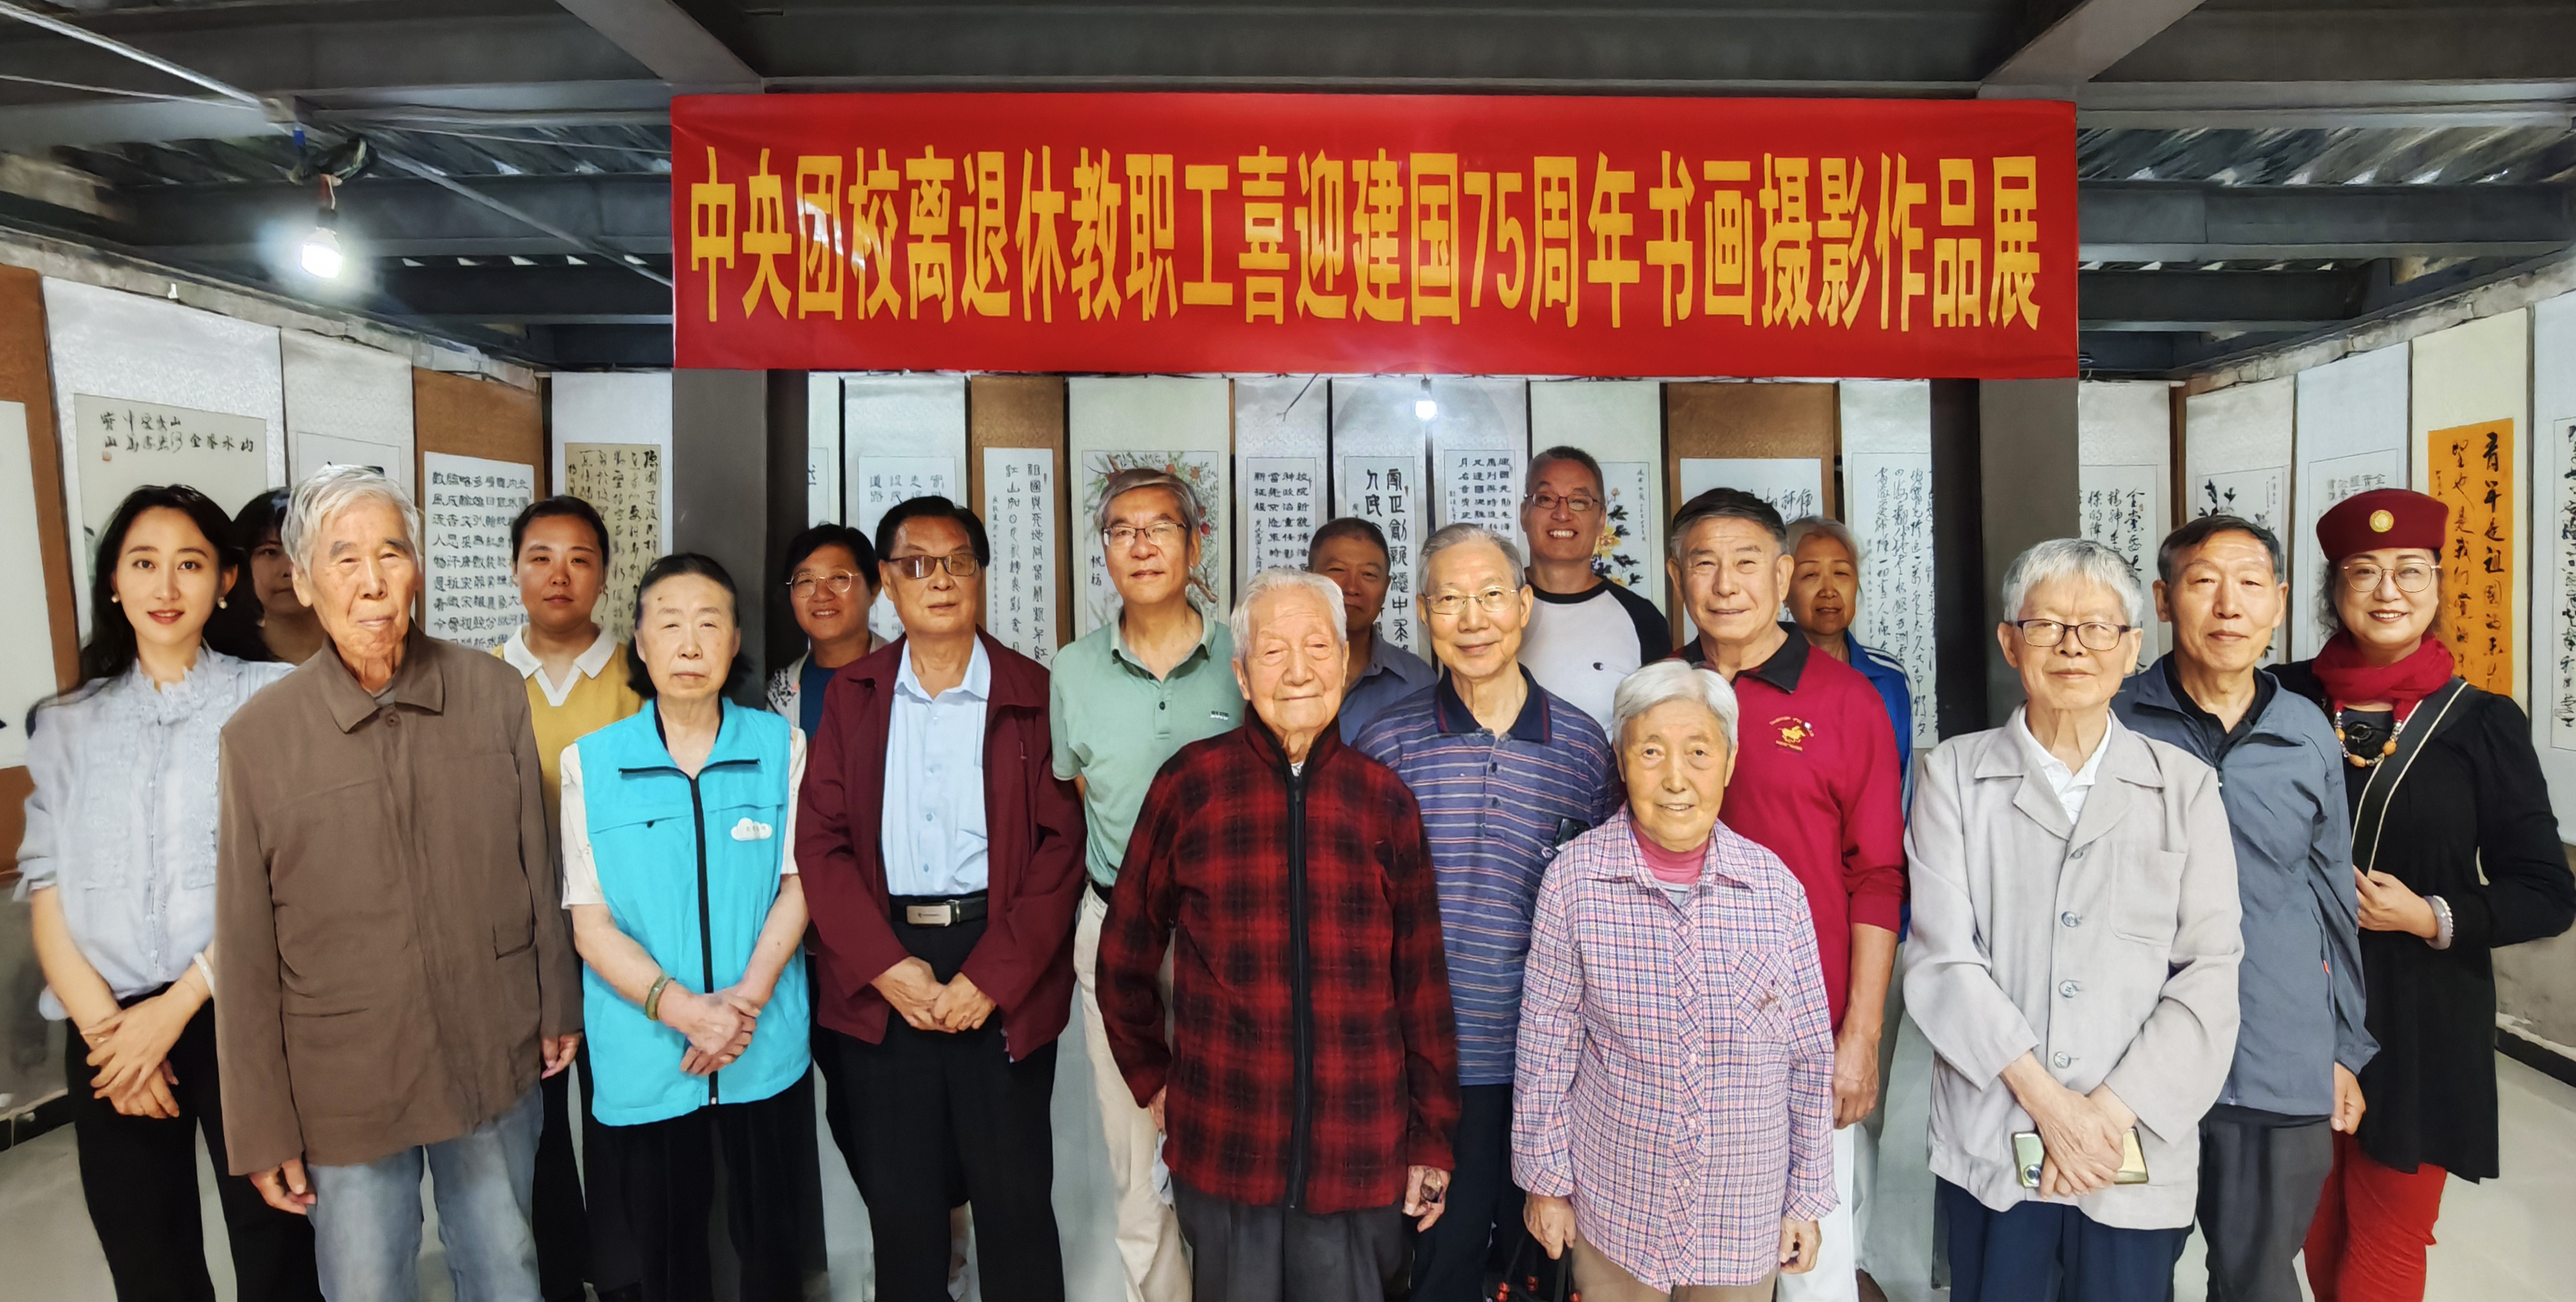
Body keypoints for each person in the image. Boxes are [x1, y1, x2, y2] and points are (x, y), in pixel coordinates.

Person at [215, 465, 582, 1302]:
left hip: (490, 1039)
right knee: (365, 1283)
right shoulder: (259, 738)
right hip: (345, 1074)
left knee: (506, 1263)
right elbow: (244, 943)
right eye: (343, 559)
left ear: (419, 567)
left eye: (391, 553)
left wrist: (557, 1000)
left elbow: (537, 861)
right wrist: (260, 1122)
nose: (372, 582)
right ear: (304, 581)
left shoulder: (491, 692)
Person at [1099, 568, 1461, 1302]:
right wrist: (1154, 1077)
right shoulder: (1191, 786)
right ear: (1241, 673)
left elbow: (1421, 990)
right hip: (1227, 1143)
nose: (1298, 671)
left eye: (1318, 648)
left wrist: (1430, 1138)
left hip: (1359, 1152)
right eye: (1273, 652)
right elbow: (1123, 956)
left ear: (1345, 661)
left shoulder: (1383, 801)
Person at [1905, 538, 2243, 1302]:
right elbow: (1942, 959)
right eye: (2047, 626)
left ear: (2131, 648)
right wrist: (2050, 1107)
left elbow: (2210, 970)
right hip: (1998, 1128)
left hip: (2132, 1140)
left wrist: (2101, 1119)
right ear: (2009, 642)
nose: (2071, 647)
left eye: (2097, 628)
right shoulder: (1952, 775)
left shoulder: (2185, 787)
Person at [2274, 489, 2576, 1302]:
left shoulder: (2483, 722)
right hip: (2290, 1003)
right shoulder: (2280, 699)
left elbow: (2547, 891)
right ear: (2333, 588)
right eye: (2363, 571)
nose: (2389, 591)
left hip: (2422, 1013)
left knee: (2388, 1237)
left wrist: (2431, 916)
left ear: (2439, 585)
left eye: (2411, 570)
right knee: (2313, 1225)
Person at [19, 485, 318, 1302]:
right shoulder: (66, 723)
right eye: (143, 564)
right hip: (108, 1032)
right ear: (113, 582)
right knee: (148, 1261)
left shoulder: (274, 698)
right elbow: (46, 890)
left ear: (225, 581)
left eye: (189, 564)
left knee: (279, 1249)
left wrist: (174, 1009)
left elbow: (286, 877)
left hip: (240, 1015)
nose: (165, 586)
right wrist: (111, 1037)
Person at [796, 495, 1083, 1302]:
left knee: (1016, 1207)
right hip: (886, 966)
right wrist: (886, 967)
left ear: (982, 575)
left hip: (999, 957)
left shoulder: (1032, 691)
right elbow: (821, 845)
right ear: (887, 583)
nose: (941, 579)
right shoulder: (854, 694)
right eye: (917, 565)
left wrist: (992, 977)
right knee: (905, 1216)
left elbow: (1061, 847)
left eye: (958, 561)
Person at [1515, 659, 1834, 1301]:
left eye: (1698, 752)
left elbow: (1807, 1057)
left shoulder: (1774, 890)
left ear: (1730, 761)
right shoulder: (1575, 881)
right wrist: (1545, 1184)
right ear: (1620, 760)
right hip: (1616, 1209)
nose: (1675, 779)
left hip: (1740, 1215)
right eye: (1651, 752)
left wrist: (1805, 1197)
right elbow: (1546, 1044)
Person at [1353, 523, 1616, 1302]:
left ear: (1524, 606)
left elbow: (1606, 910)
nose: (1472, 620)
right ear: (1422, 613)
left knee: (1542, 1273)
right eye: (1450, 601)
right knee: (1440, 1266)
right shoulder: (1386, 744)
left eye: (1492, 596)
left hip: (1554, 1068)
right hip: (1431, 1069)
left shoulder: (1582, 747)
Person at [2113, 515, 2373, 1302]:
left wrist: (2343, 1047)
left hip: (2276, 1058)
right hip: (2130, 1061)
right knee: (2117, 1274)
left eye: (2251, 585)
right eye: (2203, 583)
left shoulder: (2306, 731)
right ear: (2164, 600)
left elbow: (2332, 896)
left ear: (2279, 602)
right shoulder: (2113, 721)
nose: (2229, 606)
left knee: (2257, 1280)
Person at [1667, 488, 1903, 1302]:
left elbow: (1878, 876)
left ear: (1780, 575)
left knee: (1812, 1270)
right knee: (1690, 1268)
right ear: (1678, 578)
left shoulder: (1846, 700)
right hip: (1673, 1034)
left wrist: (1861, 1036)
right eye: (1704, 564)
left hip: (1804, 1033)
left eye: (1745, 563)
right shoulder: (1658, 693)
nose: (1725, 584)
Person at [561, 554, 814, 1302]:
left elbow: (800, 884)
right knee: (665, 1249)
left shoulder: (781, 747)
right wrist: (686, 1013)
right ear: (639, 643)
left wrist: (740, 1009)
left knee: (772, 1243)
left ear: (735, 642)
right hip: (651, 1048)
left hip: (760, 1039)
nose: (691, 644)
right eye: (669, 625)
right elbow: (589, 923)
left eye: (710, 624)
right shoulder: (592, 763)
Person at [1051, 468, 1244, 1302]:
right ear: (1104, 551)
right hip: (1116, 934)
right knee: (1137, 1156)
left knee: (1237, 1138)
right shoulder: (1073, 669)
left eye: (1160, 526)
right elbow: (1081, 792)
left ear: (1196, 544)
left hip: (1232, 940)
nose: (1141, 545)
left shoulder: (1244, 655)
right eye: (1121, 530)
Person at [496, 493, 641, 1302]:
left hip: (620, 933)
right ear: (515, 570)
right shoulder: (480, 679)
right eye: (541, 558)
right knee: (535, 1122)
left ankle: (620, 1272)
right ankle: (557, 1271)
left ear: (605, 576)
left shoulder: (638, 677)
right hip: (517, 941)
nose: (560, 575)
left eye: (580, 559)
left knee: (617, 1110)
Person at [1515, 446, 1670, 732]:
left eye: (1579, 502)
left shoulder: (1643, 620)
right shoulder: (1491, 608)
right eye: (1546, 499)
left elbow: (1658, 734)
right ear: (1524, 513)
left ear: (1601, 519)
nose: (1562, 514)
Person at [1782, 517, 1913, 784]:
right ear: (1783, 589)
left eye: (1841, 573)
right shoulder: (1762, 678)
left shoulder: (1889, 676)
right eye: (1810, 575)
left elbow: (1903, 781)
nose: (1829, 591)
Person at [1309, 516, 1435, 741]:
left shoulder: (1417, 682)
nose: (1352, 588)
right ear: (1309, 578)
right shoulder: (1274, 669)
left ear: (1386, 588)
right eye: (1337, 570)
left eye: (1368, 574)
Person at [768, 522, 885, 734]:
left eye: (839, 578)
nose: (822, 595)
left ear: (874, 589)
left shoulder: (908, 675)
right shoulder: (778, 693)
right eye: (805, 581)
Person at [227, 486, 327, 664]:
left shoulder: (362, 655)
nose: (289, 570)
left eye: (301, 551)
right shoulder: (226, 665)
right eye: (270, 552)